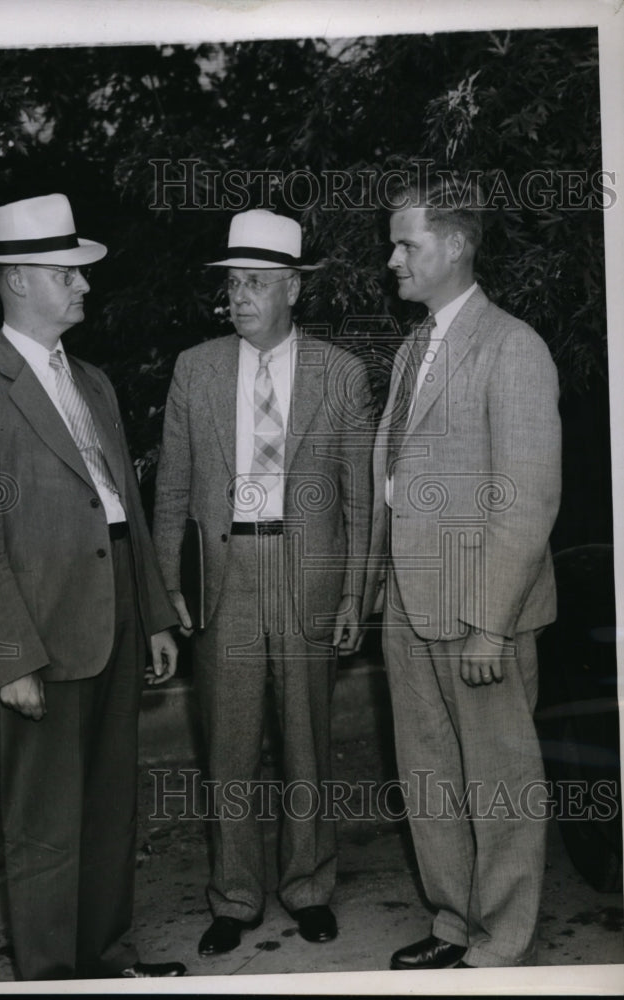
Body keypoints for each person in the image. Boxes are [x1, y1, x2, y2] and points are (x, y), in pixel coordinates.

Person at [0, 194, 186, 981]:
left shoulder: (95, 382)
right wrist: (9, 659)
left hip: (112, 622)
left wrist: (152, 616)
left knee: (110, 809)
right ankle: (48, 976)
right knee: (44, 822)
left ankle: (104, 956)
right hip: (39, 635)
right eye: (65, 273)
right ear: (15, 282)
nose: (82, 286)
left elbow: (125, 513)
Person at [153, 209, 373, 956]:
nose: (237, 297)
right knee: (230, 743)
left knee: (307, 738)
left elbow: (359, 496)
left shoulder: (341, 374)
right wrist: (165, 584)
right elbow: (173, 489)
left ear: (292, 292)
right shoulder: (197, 367)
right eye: (231, 284)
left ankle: (308, 886)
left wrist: (354, 593)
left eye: (254, 283)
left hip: (307, 571)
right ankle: (235, 895)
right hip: (227, 572)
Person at [369, 174, 562, 969]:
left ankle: (502, 941)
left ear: (452, 244)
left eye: (404, 243)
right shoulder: (416, 346)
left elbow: (526, 496)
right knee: (429, 782)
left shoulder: (512, 346)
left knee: (500, 785)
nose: (391, 260)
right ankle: (452, 924)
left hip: (480, 611)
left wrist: (490, 622)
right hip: (408, 606)